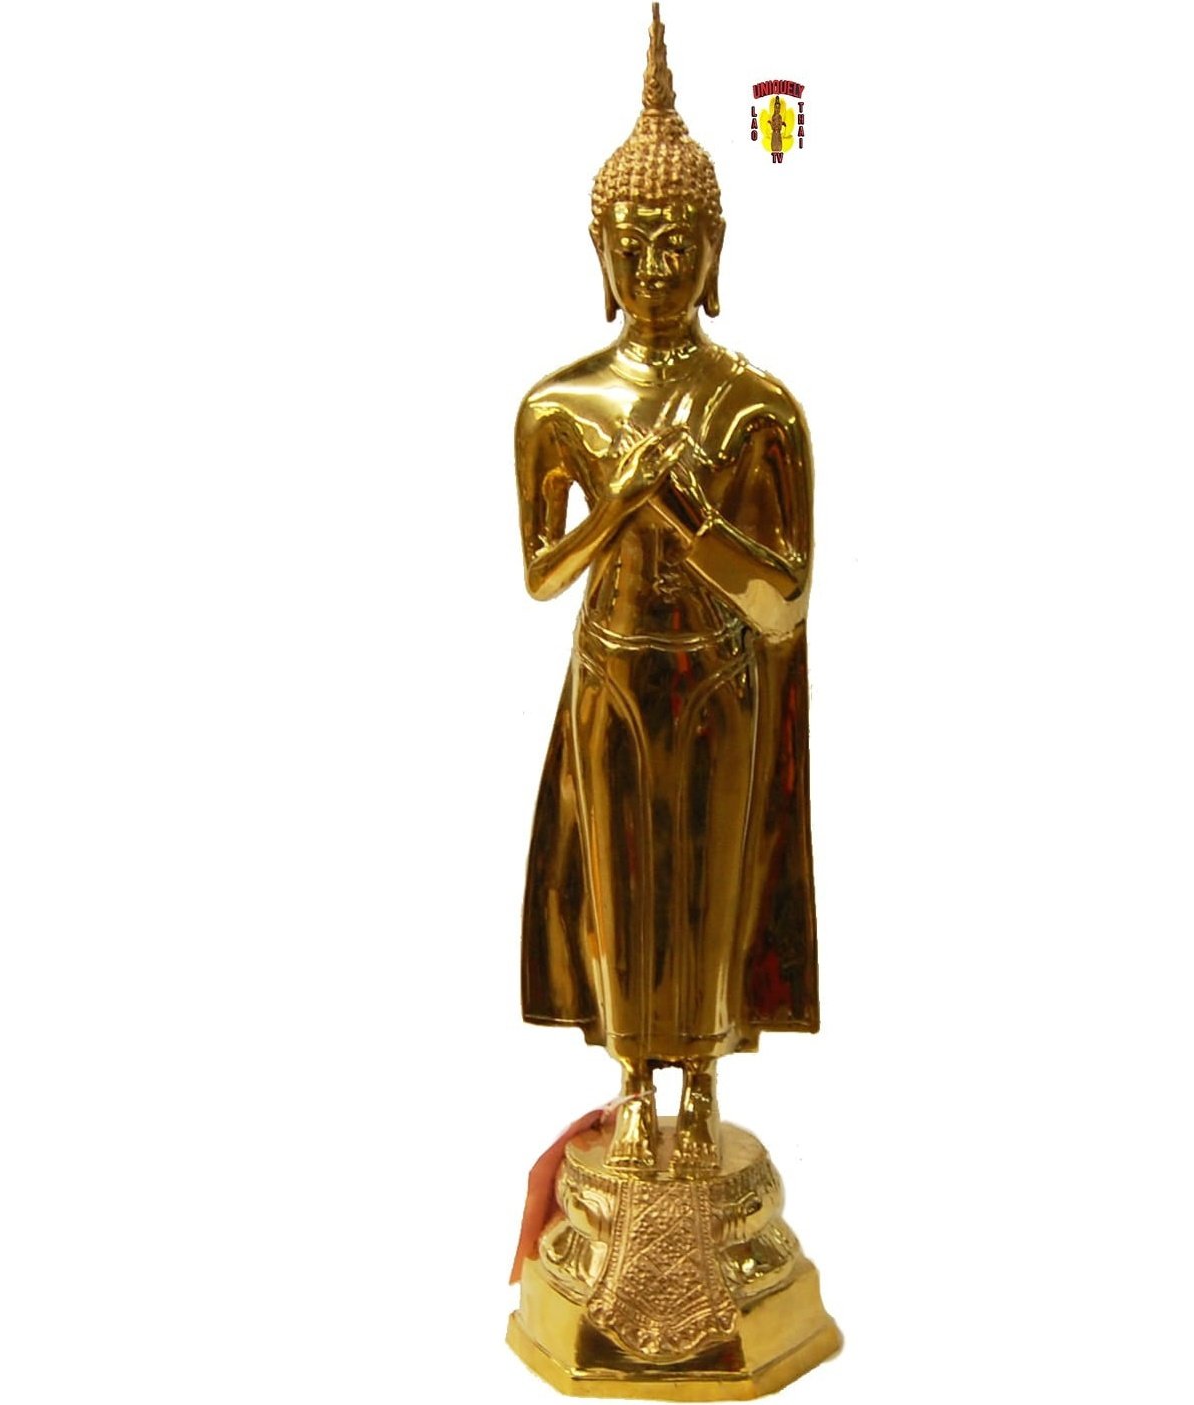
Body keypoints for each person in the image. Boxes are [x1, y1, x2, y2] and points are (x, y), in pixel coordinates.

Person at [515, 5, 818, 1176]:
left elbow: (785, 598)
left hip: (716, 677)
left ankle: (702, 1084)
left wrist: (693, 522)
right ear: (597, 250)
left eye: (678, 242)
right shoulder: (561, 406)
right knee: (623, 882)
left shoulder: (757, 406)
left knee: (708, 882)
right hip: (611, 669)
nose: (654, 268)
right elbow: (541, 574)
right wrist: (621, 508)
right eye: (633, 243)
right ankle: (635, 1082)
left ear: (716, 248)